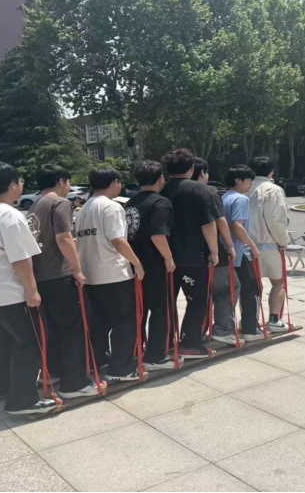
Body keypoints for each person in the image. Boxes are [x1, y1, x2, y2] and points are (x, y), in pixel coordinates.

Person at [0, 162, 57, 416]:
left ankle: (0, 387)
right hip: (9, 294)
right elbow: (20, 259)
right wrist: (32, 290)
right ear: (11, 184)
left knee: (2, 339)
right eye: (19, 180)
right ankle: (22, 400)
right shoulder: (9, 215)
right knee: (30, 342)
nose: (22, 185)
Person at [29, 165, 97, 399]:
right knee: (73, 329)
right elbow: (64, 237)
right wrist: (77, 269)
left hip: (41, 275)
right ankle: (74, 383)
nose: (70, 187)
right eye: (69, 182)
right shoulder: (60, 203)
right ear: (60, 181)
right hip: (59, 275)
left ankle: (52, 373)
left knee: (53, 329)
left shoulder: (36, 205)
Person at [76, 167, 145, 381]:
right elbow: (118, 240)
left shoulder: (85, 207)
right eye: (120, 182)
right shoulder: (111, 207)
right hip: (114, 274)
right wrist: (137, 263)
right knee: (125, 321)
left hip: (91, 274)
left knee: (99, 322)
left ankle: (98, 360)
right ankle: (121, 369)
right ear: (114, 182)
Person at [160, 148, 219, 359]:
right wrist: (214, 251)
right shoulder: (198, 189)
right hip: (193, 256)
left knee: (166, 303)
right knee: (197, 301)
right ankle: (190, 343)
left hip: (164, 257)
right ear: (192, 168)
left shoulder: (161, 188)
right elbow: (208, 223)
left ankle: (163, 343)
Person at [125, 161, 181, 371]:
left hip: (133, 263)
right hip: (154, 264)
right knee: (160, 310)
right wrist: (169, 258)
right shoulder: (161, 203)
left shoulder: (129, 203)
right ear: (161, 179)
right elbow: (158, 235)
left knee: (138, 311)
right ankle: (156, 356)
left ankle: (136, 351)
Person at [211, 166, 264, 345]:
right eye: (248, 181)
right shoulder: (241, 199)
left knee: (229, 291)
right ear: (238, 181)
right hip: (241, 252)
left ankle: (226, 326)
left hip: (227, 253)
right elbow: (237, 226)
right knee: (251, 290)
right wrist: (252, 246)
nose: (251, 185)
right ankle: (250, 329)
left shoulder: (223, 197)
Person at [191, 158, 237, 344]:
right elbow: (218, 221)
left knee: (199, 295)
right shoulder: (209, 191)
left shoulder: (171, 191)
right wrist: (229, 246)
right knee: (227, 288)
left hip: (185, 253)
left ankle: (196, 332)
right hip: (212, 250)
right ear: (202, 173)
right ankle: (223, 329)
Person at [248, 158, 290, 333]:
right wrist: (283, 241)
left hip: (246, 244)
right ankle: (274, 319)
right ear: (272, 172)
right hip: (268, 243)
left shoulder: (244, 188)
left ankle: (249, 322)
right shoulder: (273, 190)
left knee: (250, 286)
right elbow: (276, 220)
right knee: (278, 283)